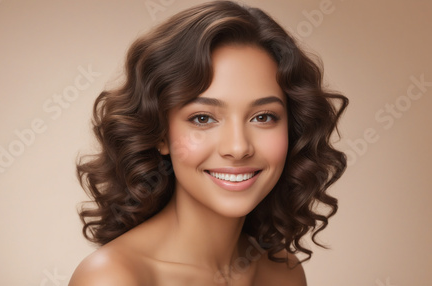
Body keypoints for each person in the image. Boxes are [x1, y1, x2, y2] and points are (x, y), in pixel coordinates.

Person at [69, 1, 348, 285]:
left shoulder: (283, 272)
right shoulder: (113, 278)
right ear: (161, 134)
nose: (238, 148)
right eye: (203, 119)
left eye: (263, 117)